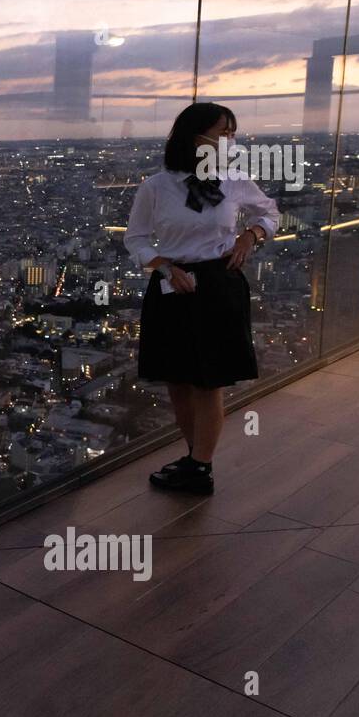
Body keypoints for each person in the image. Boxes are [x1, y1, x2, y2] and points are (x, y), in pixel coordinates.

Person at [124, 102, 281, 495]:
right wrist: (162, 266)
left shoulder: (233, 180)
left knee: (208, 382)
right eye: (223, 132)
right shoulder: (157, 187)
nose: (230, 140)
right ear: (197, 137)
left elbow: (270, 213)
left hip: (218, 282)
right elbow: (136, 238)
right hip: (173, 284)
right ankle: (196, 457)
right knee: (178, 379)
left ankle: (200, 466)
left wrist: (251, 236)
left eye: (232, 133)